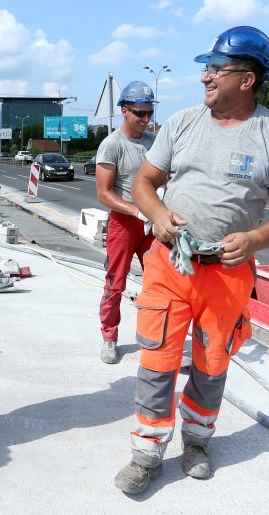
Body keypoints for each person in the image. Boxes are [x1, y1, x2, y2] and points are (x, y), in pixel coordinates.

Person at [114, 26, 269, 494]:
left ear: (247, 79)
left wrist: (256, 239)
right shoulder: (182, 123)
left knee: (212, 361)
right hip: (170, 265)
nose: (205, 77)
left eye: (215, 69)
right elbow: (143, 183)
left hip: (227, 274)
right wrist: (158, 214)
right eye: (206, 68)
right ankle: (147, 450)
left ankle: (198, 440)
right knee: (157, 360)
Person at [95, 81, 158, 364]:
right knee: (116, 283)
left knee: (160, 282)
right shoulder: (112, 145)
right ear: (124, 111)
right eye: (140, 114)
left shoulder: (152, 143)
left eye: (149, 113)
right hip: (124, 222)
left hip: (151, 223)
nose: (146, 119)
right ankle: (109, 337)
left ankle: (157, 338)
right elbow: (103, 193)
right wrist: (135, 210)